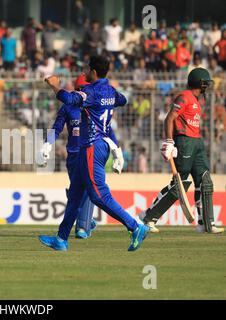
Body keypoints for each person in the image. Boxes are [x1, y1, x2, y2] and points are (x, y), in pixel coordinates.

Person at [39, 55, 149, 252]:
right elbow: (122, 100)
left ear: (94, 72)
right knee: (74, 196)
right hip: (91, 147)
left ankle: (135, 226)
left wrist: (55, 86)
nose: (85, 72)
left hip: (92, 145)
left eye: (88, 69)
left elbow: (69, 98)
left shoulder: (91, 91)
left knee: (99, 195)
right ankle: (61, 238)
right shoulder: (111, 91)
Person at [39, 73, 125, 239]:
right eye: (79, 90)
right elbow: (56, 128)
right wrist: (47, 144)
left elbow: (107, 130)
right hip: (73, 155)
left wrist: (117, 152)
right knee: (77, 191)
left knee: (87, 189)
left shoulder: (95, 108)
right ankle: (86, 220)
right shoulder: (68, 107)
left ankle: (83, 227)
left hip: (90, 151)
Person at [139, 68, 224, 234]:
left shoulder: (198, 101)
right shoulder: (184, 97)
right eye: (206, 82)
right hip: (184, 141)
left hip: (197, 142)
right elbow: (169, 118)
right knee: (180, 185)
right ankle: (148, 217)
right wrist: (169, 141)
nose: (208, 85)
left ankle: (206, 223)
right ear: (199, 82)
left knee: (205, 181)